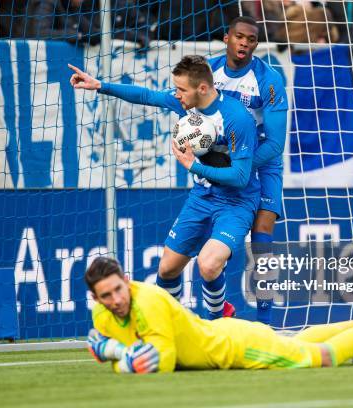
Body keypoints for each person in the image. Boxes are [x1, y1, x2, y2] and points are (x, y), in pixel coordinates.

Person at [69, 55, 260, 319]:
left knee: (208, 264)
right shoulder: (187, 104)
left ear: (202, 88)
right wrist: (100, 85)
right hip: (202, 197)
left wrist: (194, 166)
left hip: (236, 202)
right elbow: (147, 96)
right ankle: (171, 324)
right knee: (167, 269)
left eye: (181, 89)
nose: (176, 94)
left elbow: (240, 176)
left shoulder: (237, 118)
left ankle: (219, 323)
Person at [84, 256, 353, 373]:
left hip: (236, 350)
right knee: (290, 342)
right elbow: (116, 341)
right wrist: (117, 350)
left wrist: (115, 355)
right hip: (228, 334)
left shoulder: (148, 301)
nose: (116, 299)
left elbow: (162, 360)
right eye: (106, 295)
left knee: (319, 358)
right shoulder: (103, 316)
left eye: (118, 289)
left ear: (127, 281)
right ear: (97, 299)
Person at [208, 16, 288, 325]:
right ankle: (219, 312)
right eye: (238, 36)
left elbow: (276, 144)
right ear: (227, 38)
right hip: (224, 158)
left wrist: (241, 165)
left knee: (262, 235)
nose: (244, 43)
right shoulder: (209, 72)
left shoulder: (268, 80)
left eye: (250, 39)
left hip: (262, 159)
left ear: (255, 44)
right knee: (218, 235)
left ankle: (265, 321)